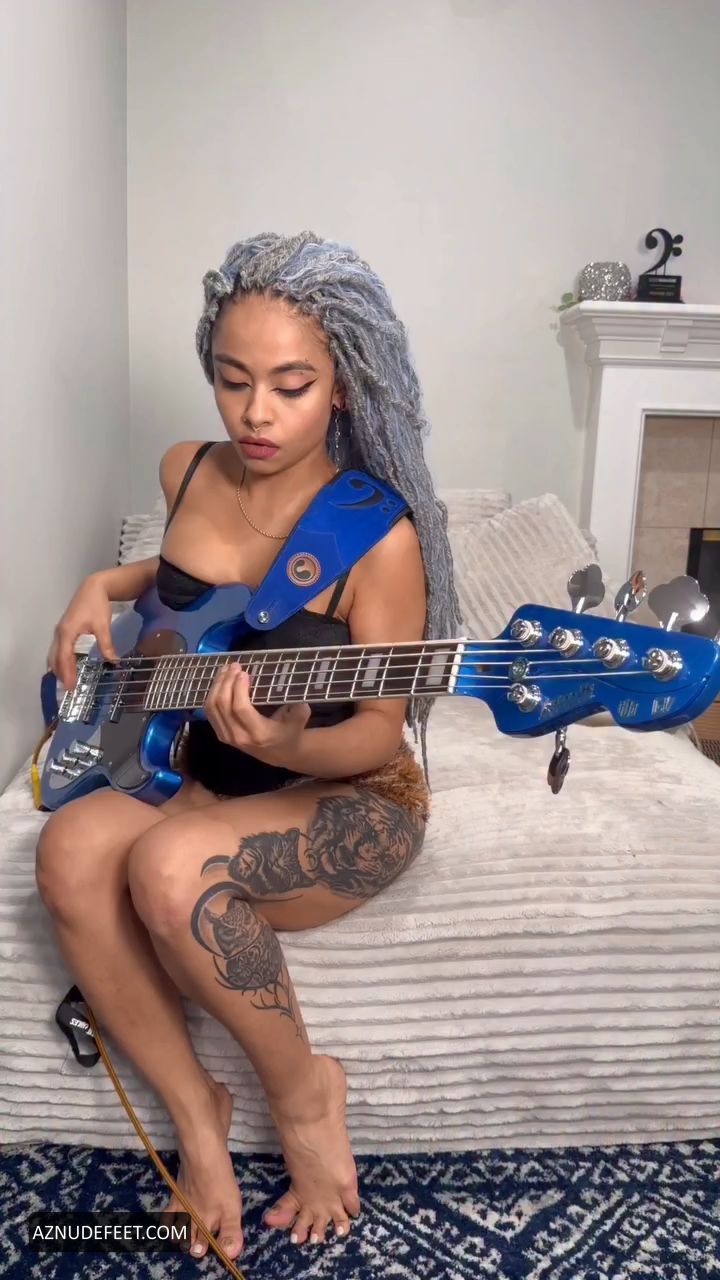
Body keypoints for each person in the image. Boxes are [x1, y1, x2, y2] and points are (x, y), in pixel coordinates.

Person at [35, 230, 463, 1262]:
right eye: (233, 381)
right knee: (67, 852)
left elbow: (377, 730)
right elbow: (186, 590)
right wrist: (102, 584)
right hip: (203, 771)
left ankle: (306, 1096)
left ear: (343, 388)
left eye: (290, 385)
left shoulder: (379, 537)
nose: (256, 413)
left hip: (347, 789)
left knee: (167, 867)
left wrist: (286, 742)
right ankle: (199, 1116)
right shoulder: (187, 468)